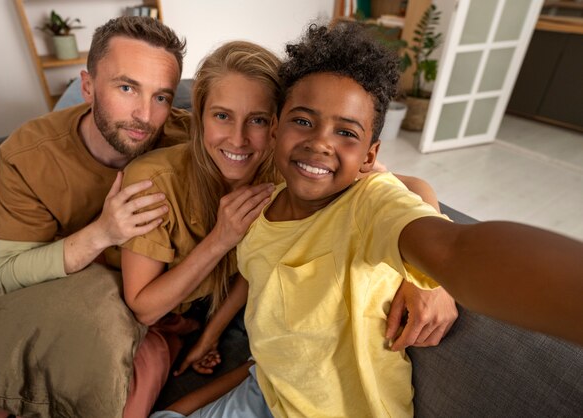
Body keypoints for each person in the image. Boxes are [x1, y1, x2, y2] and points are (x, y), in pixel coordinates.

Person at [149, 22, 583, 418]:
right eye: (304, 121)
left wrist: (433, 277)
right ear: (278, 128)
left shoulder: (367, 206)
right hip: (264, 394)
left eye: (346, 132)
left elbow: (456, 249)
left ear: (370, 157)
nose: (320, 143)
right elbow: (265, 320)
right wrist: (207, 344)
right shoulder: (260, 206)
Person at [119, 38, 457, 397]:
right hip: (158, 309)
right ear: (198, 117)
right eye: (222, 116)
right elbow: (145, 309)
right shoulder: (153, 179)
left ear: (278, 125)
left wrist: (432, 280)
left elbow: (412, 188)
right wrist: (221, 239)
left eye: (258, 120)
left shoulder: (295, 174)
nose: (238, 139)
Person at [0, 16, 191, 418]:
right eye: (126, 87)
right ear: (87, 87)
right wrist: (102, 232)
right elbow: (9, 269)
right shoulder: (28, 152)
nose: (145, 116)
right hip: (21, 238)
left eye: (161, 97)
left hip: (98, 267)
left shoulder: (185, 142)